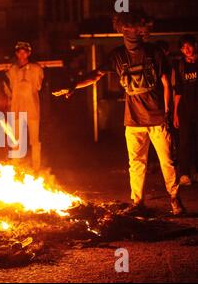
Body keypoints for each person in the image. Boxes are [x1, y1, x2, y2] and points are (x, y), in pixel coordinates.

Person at [53, 12, 186, 215]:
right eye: (125, 29)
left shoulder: (154, 53)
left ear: (141, 31)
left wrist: (167, 113)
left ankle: (175, 199)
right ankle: (138, 202)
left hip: (157, 118)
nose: (129, 33)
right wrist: (74, 85)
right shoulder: (117, 55)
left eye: (133, 29)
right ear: (121, 30)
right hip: (133, 121)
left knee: (167, 161)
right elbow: (97, 75)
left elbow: (167, 83)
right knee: (136, 164)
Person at [4, 41, 44, 171]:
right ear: (16, 54)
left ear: (28, 53)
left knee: (34, 141)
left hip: (32, 108)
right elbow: (11, 88)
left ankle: (36, 167)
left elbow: (38, 85)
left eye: (24, 52)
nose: (22, 55)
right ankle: (16, 167)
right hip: (16, 108)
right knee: (15, 139)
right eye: (19, 52)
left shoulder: (36, 69)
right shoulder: (12, 70)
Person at [173, 35, 198, 186]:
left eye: (188, 46)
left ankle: (196, 172)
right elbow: (178, 90)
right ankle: (184, 173)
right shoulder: (179, 65)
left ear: (194, 45)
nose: (186, 50)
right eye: (183, 48)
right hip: (184, 109)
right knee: (184, 142)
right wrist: (175, 112)